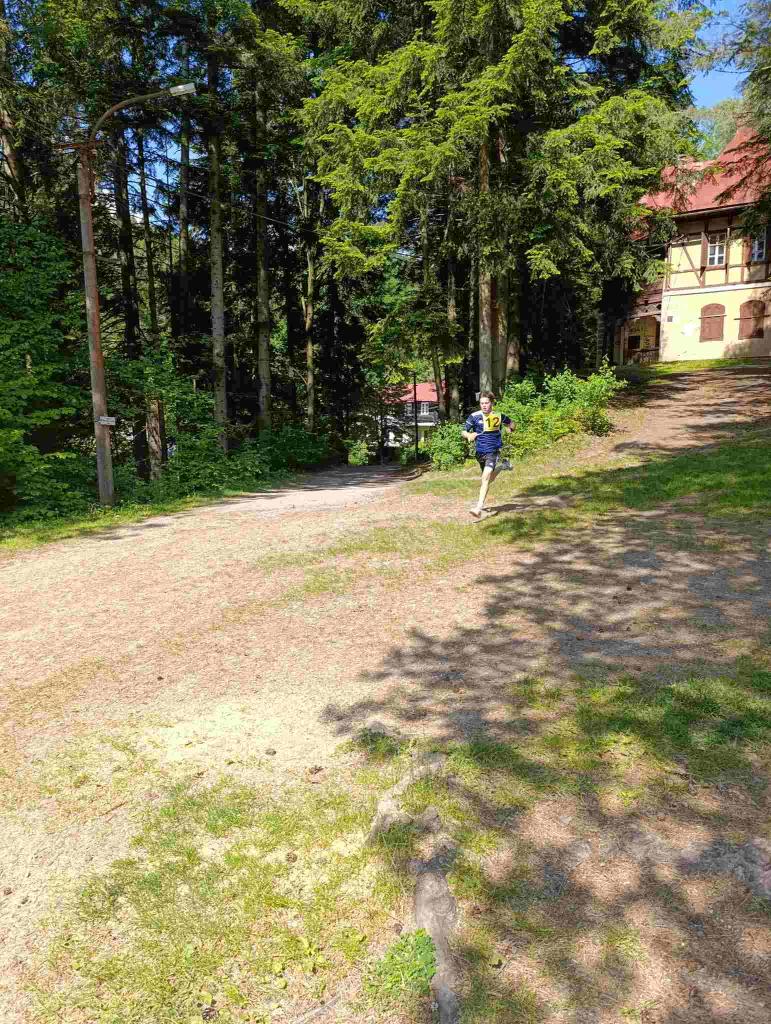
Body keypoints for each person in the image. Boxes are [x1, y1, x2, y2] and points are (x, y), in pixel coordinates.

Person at [462, 391, 514, 519]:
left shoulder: (499, 416)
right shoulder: (474, 416)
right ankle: (503, 466)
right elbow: (463, 431)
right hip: (480, 452)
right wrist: (469, 435)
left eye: (486, 403)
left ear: (492, 403)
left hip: (493, 451)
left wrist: (510, 429)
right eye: (482, 403)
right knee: (487, 479)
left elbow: (511, 423)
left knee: (485, 478)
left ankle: (478, 508)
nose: (484, 405)